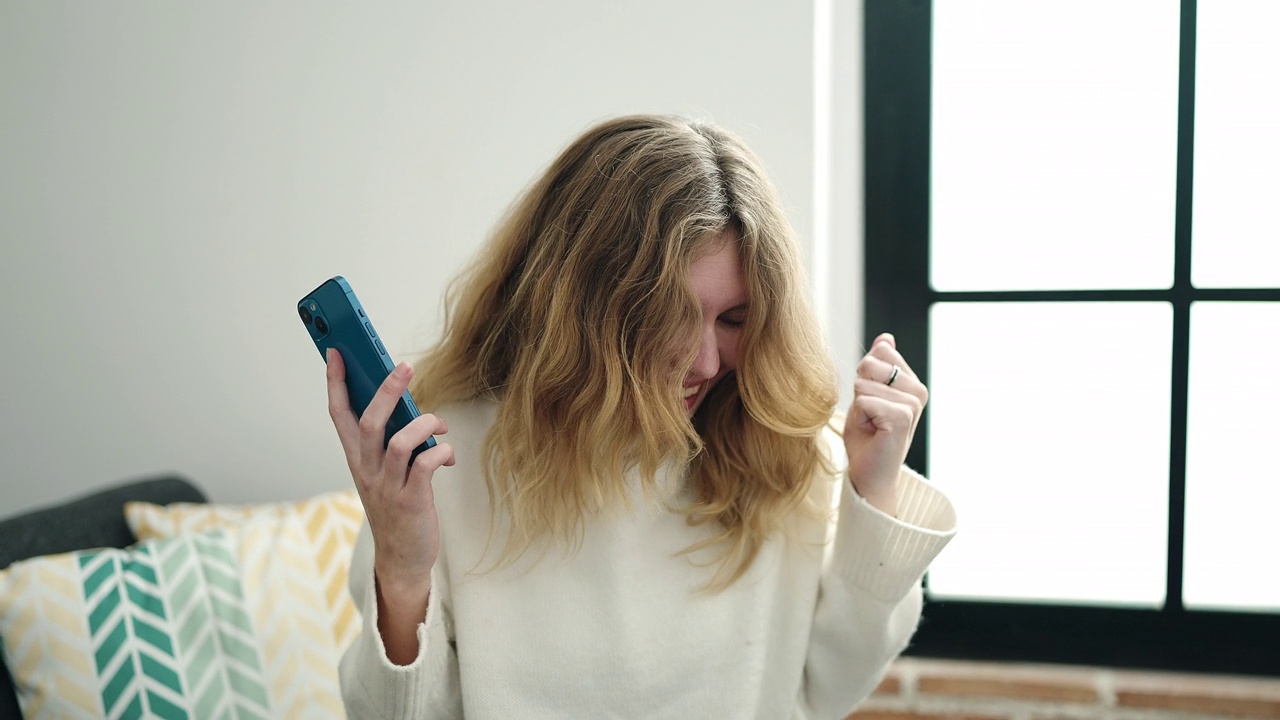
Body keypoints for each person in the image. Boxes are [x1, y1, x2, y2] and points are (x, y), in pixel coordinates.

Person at [326, 114, 956, 719]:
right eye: (669, 317)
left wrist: (875, 491)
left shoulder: (781, 449)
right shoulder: (445, 461)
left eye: (734, 320)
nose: (705, 361)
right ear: (579, 307)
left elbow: (826, 691)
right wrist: (404, 567)